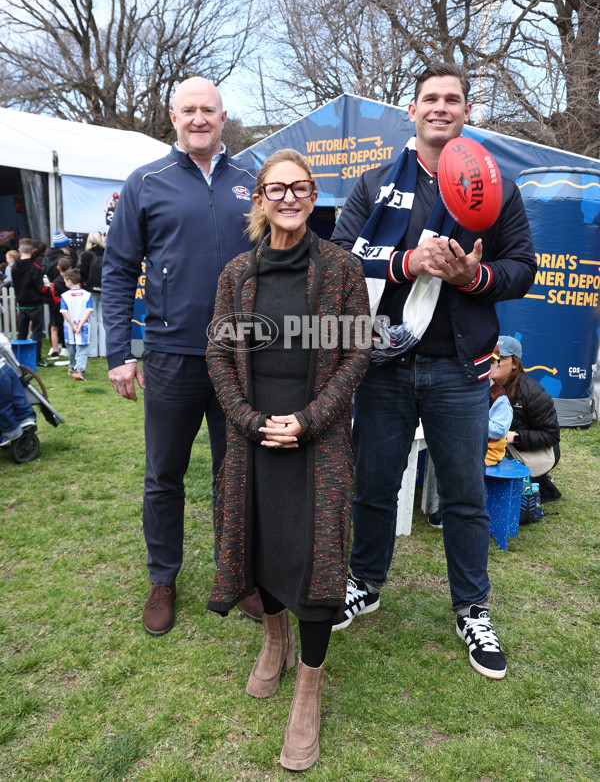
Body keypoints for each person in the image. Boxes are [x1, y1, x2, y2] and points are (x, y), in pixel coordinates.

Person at [330, 62, 537, 680]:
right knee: (374, 484)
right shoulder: (374, 184)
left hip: (459, 370)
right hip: (384, 364)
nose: (440, 107)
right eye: (430, 98)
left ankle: (472, 609)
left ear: (467, 112)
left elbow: (522, 269)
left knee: (465, 495)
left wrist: (474, 277)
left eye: (453, 99)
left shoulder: (496, 189)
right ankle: (364, 582)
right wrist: (405, 263)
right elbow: (338, 260)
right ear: (412, 111)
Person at [206, 149, 370, 771]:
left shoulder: (341, 269)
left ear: (314, 195)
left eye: (301, 188)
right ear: (259, 199)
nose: (290, 198)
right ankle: (273, 640)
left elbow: (356, 354)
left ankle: (309, 685)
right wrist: (249, 421)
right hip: (254, 435)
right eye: (277, 189)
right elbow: (219, 354)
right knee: (264, 544)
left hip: (316, 435)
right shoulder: (237, 275)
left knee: (318, 555)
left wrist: (309, 419)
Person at [102, 76, 257, 636]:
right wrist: (120, 353)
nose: (199, 118)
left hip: (240, 358)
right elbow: (118, 270)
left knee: (234, 472)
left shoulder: (252, 182)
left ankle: (234, 574)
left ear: (223, 117)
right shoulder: (146, 182)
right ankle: (162, 578)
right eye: (188, 109)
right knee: (164, 474)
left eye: (208, 110)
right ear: (173, 117)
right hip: (171, 355)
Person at [428, 345, 513, 528]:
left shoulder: (499, 398)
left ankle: (455, 512)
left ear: (497, 367)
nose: (486, 367)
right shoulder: (465, 389)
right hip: (467, 444)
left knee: (459, 466)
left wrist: (472, 420)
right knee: (445, 461)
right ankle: (448, 506)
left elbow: (500, 429)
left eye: (490, 363)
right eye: (480, 362)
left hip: (488, 451)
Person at [494, 335, 561, 502]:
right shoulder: (482, 384)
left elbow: (551, 435)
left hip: (526, 449)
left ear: (515, 364)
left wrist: (514, 436)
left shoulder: (533, 392)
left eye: (501, 358)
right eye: (492, 358)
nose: (496, 362)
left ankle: (538, 484)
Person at [11, 238, 51, 368]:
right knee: (36, 332)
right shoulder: (35, 267)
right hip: (35, 303)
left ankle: (19, 358)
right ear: (33, 250)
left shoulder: (14, 267)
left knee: (22, 332)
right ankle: (37, 358)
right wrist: (48, 289)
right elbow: (39, 288)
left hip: (22, 303)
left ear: (19, 250)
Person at [45, 231, 76, 359]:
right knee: (66, 321)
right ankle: (64, 346)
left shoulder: (48, 258)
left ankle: (55, 347)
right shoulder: (65, 260)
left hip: (53, 295)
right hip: (65, 294)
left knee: (54, 323)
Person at [60, 268, 93, 381]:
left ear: (69, 281)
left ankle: (74, 367)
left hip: (69, 327)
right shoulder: (87, 294)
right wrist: (80, 324)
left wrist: (73, 325)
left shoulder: (65, 295)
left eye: (65, 281)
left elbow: (64, 311)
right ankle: (78, 370)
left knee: (71, 349)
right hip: (84, 326)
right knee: (82, 349)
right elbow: (89, 310)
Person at [78, 232, 105, 358]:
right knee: (103, 320)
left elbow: (82, 273)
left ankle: (93, 351)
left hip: (90, 289)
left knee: (92, 319)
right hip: (105, 289)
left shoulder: (87, 255)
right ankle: (104, 351)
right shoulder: (106, 253)